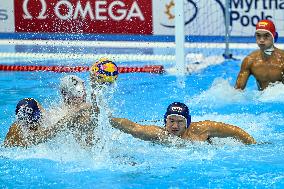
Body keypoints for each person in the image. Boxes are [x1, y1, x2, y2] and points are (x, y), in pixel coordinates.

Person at [110, 102, 256, 145]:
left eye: (180, 122)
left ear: (187, 123)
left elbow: (235, 131)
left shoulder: (203, 129)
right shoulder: (159, 134)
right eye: (171, 121)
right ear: (165, 120)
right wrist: (107, 119)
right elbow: (133, 128)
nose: (174, 126)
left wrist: (252, 145)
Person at [235, 19, 284, 90]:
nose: (261, 40)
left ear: (274, 37)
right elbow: (237, 92)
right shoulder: (249, 61)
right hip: (260, 99)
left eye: (266, 36)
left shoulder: (282, 60)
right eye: (258, 35)